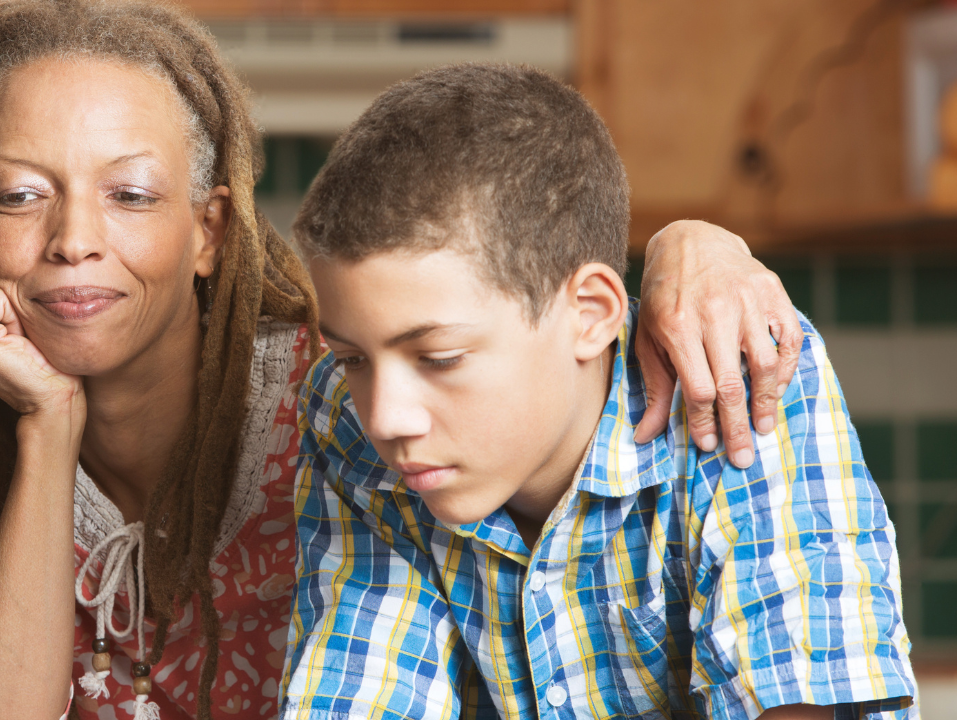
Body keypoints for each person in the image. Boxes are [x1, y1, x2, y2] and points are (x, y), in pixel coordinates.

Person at [0, 2, 802, 718]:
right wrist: (48, 426)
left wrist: (693, 241)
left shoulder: (350, 409)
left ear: (209, 230)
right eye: (19, 196)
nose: (73, 238)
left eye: (131, 193)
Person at [284, 64, 915, 719]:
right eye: (352, 358)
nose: (386, 418)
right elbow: (360, 690)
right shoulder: (346, 417)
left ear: (589, 315)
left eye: (439, 358)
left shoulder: (740, 371)